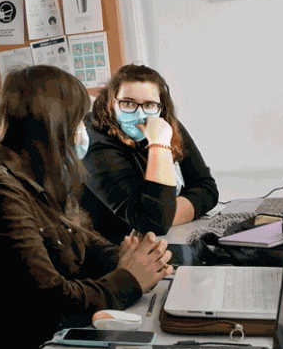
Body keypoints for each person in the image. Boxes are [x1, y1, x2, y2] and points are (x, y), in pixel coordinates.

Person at [0, 65, 172, 349]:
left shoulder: (41, 184)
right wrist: (129, 278)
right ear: (54, 126)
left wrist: (131, 257)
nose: (84, 131)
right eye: (79, 121)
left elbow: (88, 244)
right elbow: (51, 300)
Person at [81, 64, 219, 244]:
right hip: (117, 249)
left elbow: (207, 188)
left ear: (160, 107)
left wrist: (164, 215)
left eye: (149, 104)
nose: (140, 113)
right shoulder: (94, 141)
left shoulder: (163, 123)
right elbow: (154, 222)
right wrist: (159, 145)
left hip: (167, 238)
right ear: (111, 102)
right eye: (128, 103)